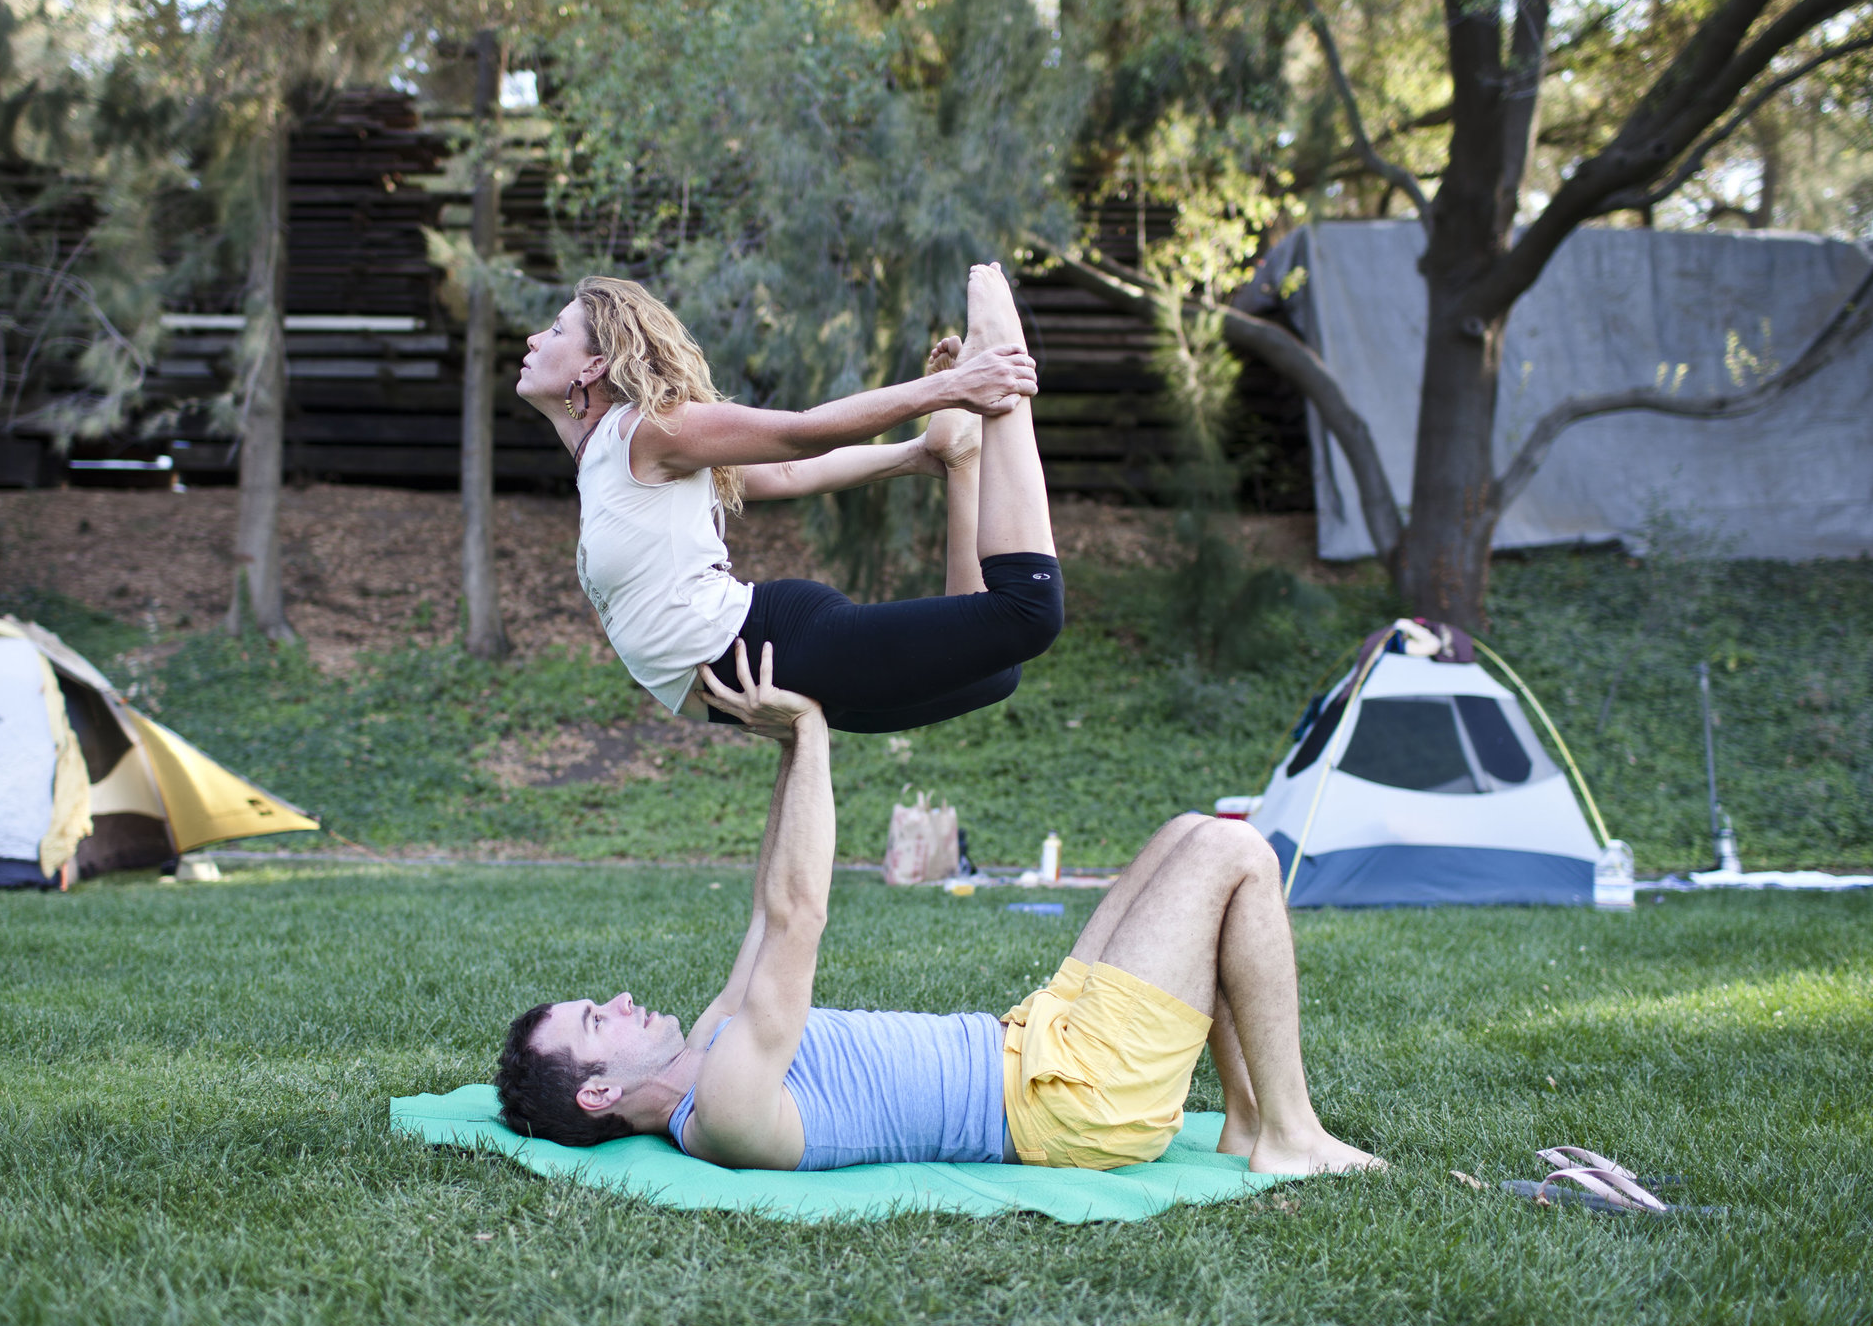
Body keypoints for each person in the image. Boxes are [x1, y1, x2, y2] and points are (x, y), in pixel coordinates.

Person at [493, 645, 1386, 1178]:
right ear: (599, 1090)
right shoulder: (722, 1108)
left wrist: (776, 746)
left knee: (1187, 832)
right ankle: (1292, 1132)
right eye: (593, 1021)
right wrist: (814, 733)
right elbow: (803, 916)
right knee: (1238, 852)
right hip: (1069, 1100)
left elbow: (768, 908)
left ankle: (1242, 1118)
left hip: (1033, 1041)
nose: (613, 999)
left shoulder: (707, 1049)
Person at [514, 263, 1063, 733]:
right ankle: (961, 456)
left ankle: (1004, 364)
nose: (535, 340)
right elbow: (785, 472)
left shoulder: (644, 430)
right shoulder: (604, 461)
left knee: (1028, 614)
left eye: (556, 330)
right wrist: (918, 454)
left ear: (593, 366)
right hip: (752, 677)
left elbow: (799, 433)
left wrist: (952, 387)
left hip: (770, 642)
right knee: (993, 669)